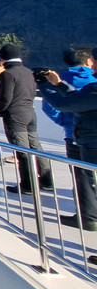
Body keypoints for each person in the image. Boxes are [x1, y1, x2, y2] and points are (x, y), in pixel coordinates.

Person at [40, 48, 97, 230]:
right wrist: (57, 85)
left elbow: (61, 105)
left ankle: (89, 218)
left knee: (87, 181)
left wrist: (44, 86)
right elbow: (78, 98)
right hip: (86, 139)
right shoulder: (92, 86)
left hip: (91, 143)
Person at [0, 44, 53, 194]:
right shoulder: (29, 72)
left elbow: (6, 98)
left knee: (22, 150)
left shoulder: (7, 74)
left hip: (15, 116)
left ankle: (27, 185)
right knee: (36, 146)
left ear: (3, 58)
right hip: (30, 113)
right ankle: (47, 181)